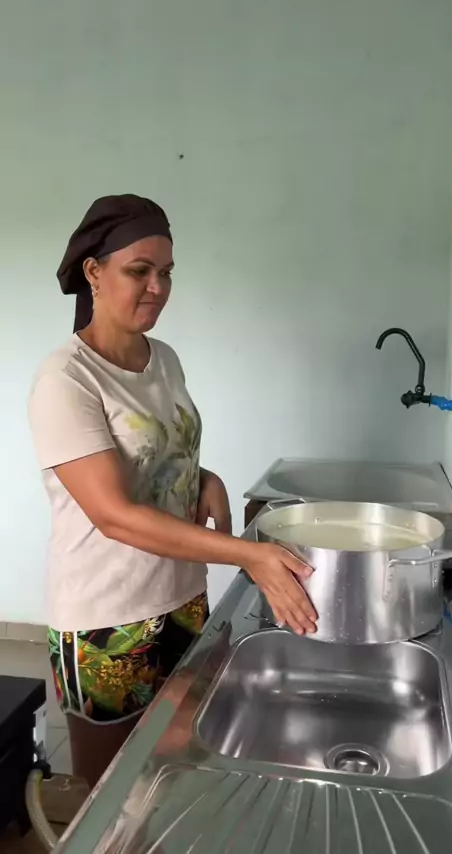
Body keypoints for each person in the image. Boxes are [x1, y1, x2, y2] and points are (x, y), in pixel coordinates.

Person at [28, 194, 317, 788]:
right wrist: (250, 555)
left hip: (182, 595)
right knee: (108, 792)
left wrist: (205, 478)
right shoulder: (67, 379)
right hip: (107, 616)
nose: (157, 287)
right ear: (94, 272)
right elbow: (114, 515)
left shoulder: (164, 359)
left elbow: (158, 453)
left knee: (174, 767)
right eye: (140, 271)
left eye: (166, 272)